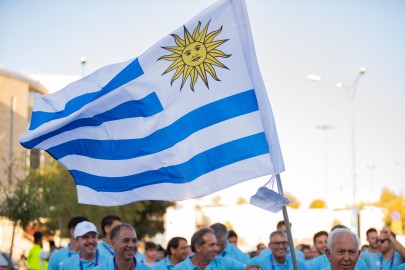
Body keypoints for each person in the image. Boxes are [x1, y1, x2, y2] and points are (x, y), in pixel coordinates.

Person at [173, 227, 259, 270]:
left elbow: (251, 268)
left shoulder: (224, 262)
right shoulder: (179, 268)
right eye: (212, 245)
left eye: (216, 244)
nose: (216, 248)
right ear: (198, 247)